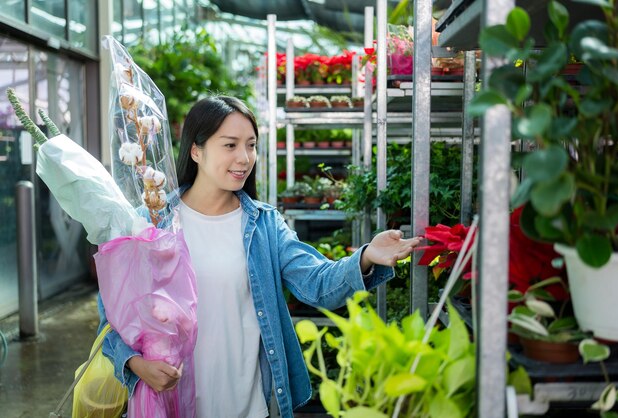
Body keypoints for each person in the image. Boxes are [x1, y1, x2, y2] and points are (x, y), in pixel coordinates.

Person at [98, 95, 422, 418]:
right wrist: (136, 364)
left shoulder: (263, 224)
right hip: (172, 404)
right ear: (196, 150)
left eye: (251, 145)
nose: (244, 157)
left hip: (250, 405)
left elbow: (316, 283)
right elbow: (111, 321)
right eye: (230, 145)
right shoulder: (151, 222)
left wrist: (367, 257)